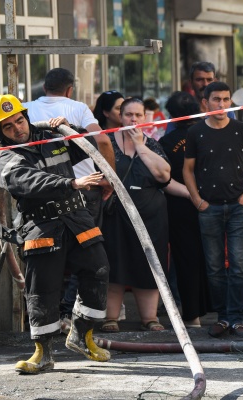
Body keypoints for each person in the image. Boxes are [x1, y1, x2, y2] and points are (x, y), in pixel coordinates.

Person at [0, 94, 111, 373]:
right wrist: (72, 182)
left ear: (26, 117)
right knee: (42, 289)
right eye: (8, 126)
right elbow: (29, 181)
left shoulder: (51, 136)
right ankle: (43, 354)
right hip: (41, 226)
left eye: (19, 120)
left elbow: (89, 148)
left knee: (99, 269)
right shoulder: (8, 157)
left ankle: (82, 334)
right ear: (0, 133)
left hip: (77, 219)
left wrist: (70, 130)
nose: (17, 128)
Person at [23, 68, 115, 331]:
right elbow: (102, 140)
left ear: (44, 89)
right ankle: (71, 318)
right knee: (87, 254)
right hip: (83, 190)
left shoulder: (26, 109)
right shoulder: (77, 107)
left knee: (47, 258)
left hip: (41, 193)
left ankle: (56, 320)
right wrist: (109, 178)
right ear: (69, 89)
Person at [183, 81, 243, 338]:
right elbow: (187, 169)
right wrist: (197, 200)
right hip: (209, 207)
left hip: (238, 206)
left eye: (226, 99)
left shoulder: (241, 129)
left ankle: (236, 319)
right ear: (205, 103)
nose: (222, 104)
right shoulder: (195, 132)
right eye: (216, 99)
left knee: (239, 265)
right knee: (214, 266)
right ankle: (223, 318)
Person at [101, 98, 171, 332]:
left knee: (148, 266)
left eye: (138, 115)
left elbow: (164, 176)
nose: (133, 120)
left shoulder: (151, 145)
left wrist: (140, 146)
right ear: (120, 117)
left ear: (144, 117)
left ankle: (149, 318)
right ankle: (111, 317)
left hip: (151, 219)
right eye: (129, 114)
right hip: (115, 217)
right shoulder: (106, 143)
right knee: (115, 266)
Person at [159, 91, 208, 328]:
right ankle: (223, 312)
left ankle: (192, 316)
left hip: (179, 205)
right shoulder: (209, 134)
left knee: (185, 260)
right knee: (213, 258)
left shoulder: (166, 143)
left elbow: (162, 178)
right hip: (211, 203)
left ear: (171, 115)